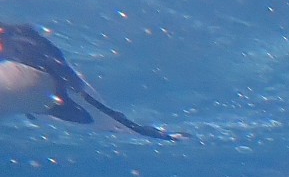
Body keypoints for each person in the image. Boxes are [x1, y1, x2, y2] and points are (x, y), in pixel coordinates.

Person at [0, 22, 172, 138]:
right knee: (107, 122)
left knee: (106, 122)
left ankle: (126, 127)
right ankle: (126, 127)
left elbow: (66, 75)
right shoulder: (22, 40)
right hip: (45, 89)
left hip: (41, 84)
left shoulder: (22, 43)